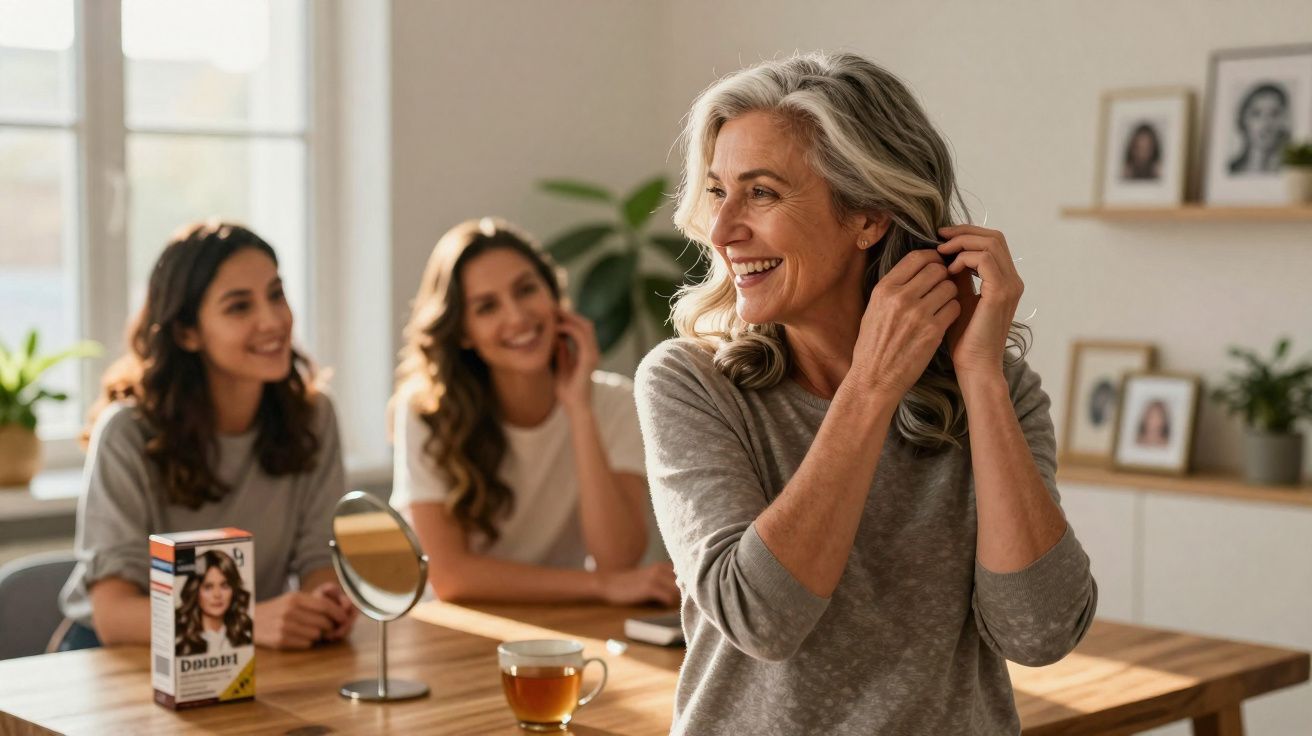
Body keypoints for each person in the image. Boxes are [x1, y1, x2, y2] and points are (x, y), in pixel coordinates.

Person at [635, 52, 1097, 734]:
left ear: (869, 218)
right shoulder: (689, 384)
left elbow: (1040, 631)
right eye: (717, 191)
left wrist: (981, 377)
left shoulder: (993, 390)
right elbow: (759, 618)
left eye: (761, 193)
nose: (724, 229)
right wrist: (871, 387)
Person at [58, 221, 358, 651]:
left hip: (234, 652)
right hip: (122, 655)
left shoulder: (314, 417)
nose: (273, 320)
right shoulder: (126, 432)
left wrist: (322, 604)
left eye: (276, 294)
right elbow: (113, 615)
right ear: (187, 332)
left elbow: (318, 559)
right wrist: (246, 620)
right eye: (239, 307)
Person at [389, 217, 678, 606]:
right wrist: (598, 586)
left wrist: (579, 411)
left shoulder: (615, 403)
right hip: (456, 624)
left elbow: (618, 559)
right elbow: (451, 577)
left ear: (553, 295)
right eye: (487, 307)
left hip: (563, 619)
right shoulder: (427, 412)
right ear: (463, 332)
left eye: (526, 290)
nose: (517, 317)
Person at [175, 549, 254, 656]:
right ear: (196, 591)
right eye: (208, 587)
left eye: (224, 586)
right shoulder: (181, 647)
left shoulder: (245, 642)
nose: (217, 595)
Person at [1228, 83, 1291, 174]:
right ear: (1243, 119)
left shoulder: (1290, 171)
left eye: (1274, 114)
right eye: (1256, 114)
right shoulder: (1232, 168)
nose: (1266, 123)